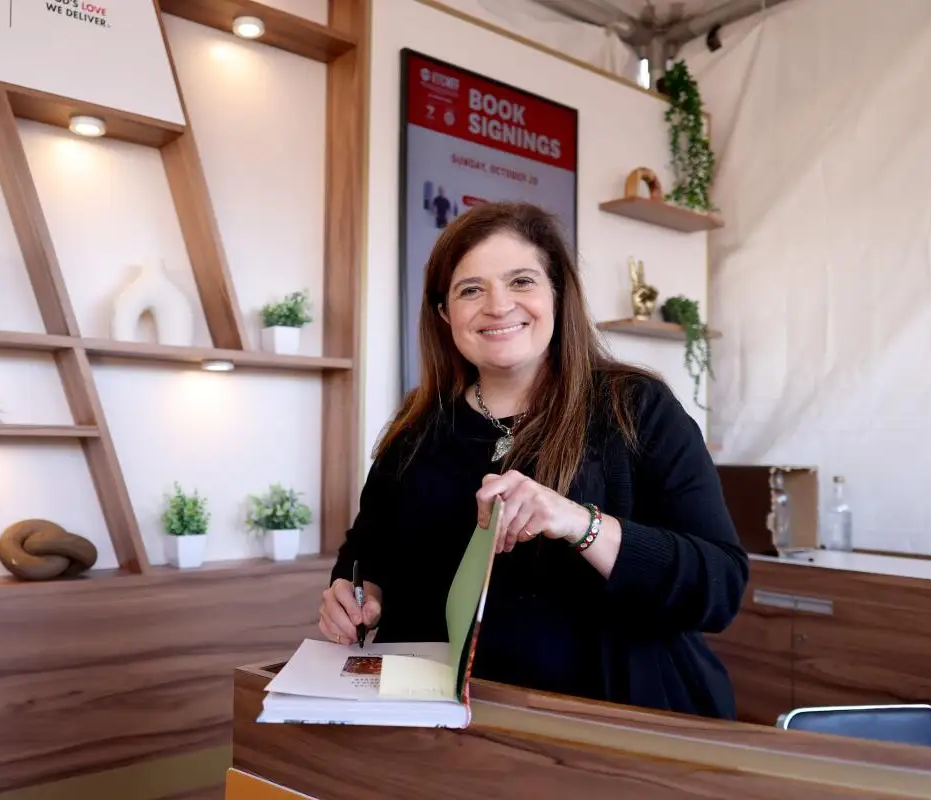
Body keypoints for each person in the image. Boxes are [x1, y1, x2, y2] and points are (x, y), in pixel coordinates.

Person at [319, 201, 748, 720]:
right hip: (439, 728)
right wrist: (354, 593)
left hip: (612, 728)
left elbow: (719, 585)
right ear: (443, 313)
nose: (498, 306)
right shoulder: (416, 428)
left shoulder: (636, 407)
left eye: (521, 281)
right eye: (470, 289)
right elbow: (367, 552)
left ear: (557, 295)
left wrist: (577, 521)